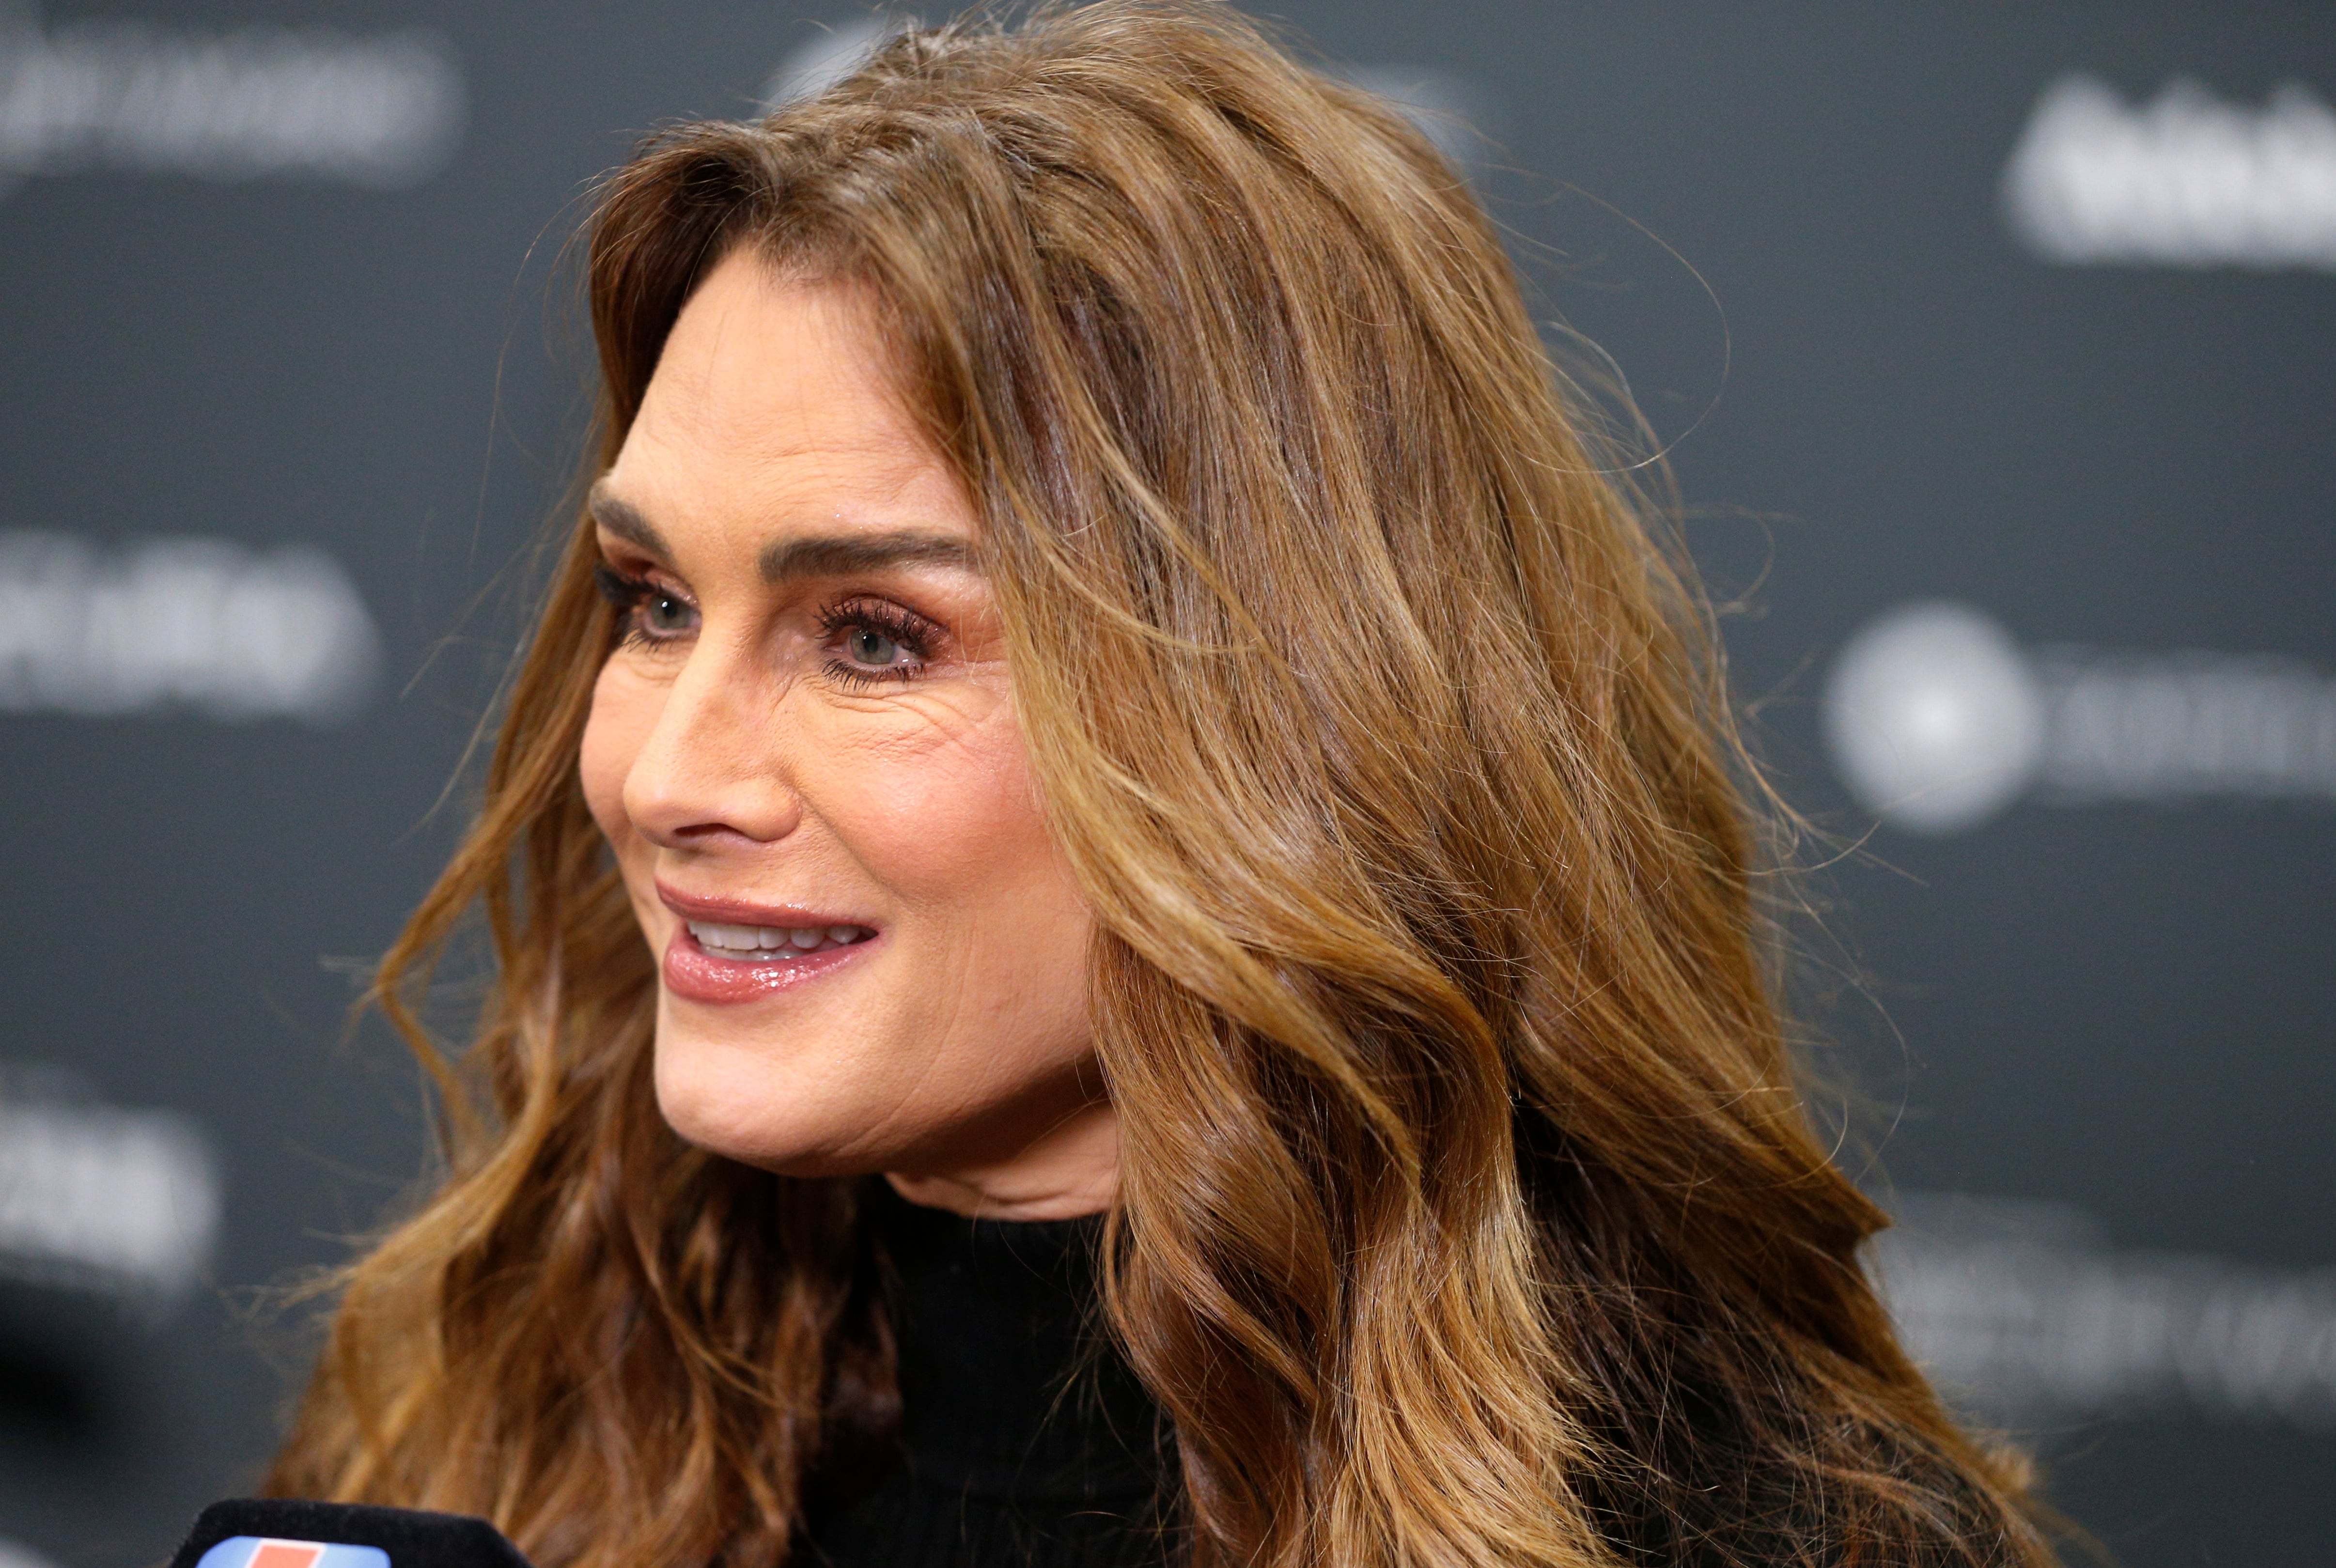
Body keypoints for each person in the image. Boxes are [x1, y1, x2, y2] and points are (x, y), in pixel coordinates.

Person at [265, 4, 2054, 1566]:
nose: (664, 773)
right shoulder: (487, 1437)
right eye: (653, 605)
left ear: (1290, 716)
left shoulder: (1759, 1534)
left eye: (877, 638)